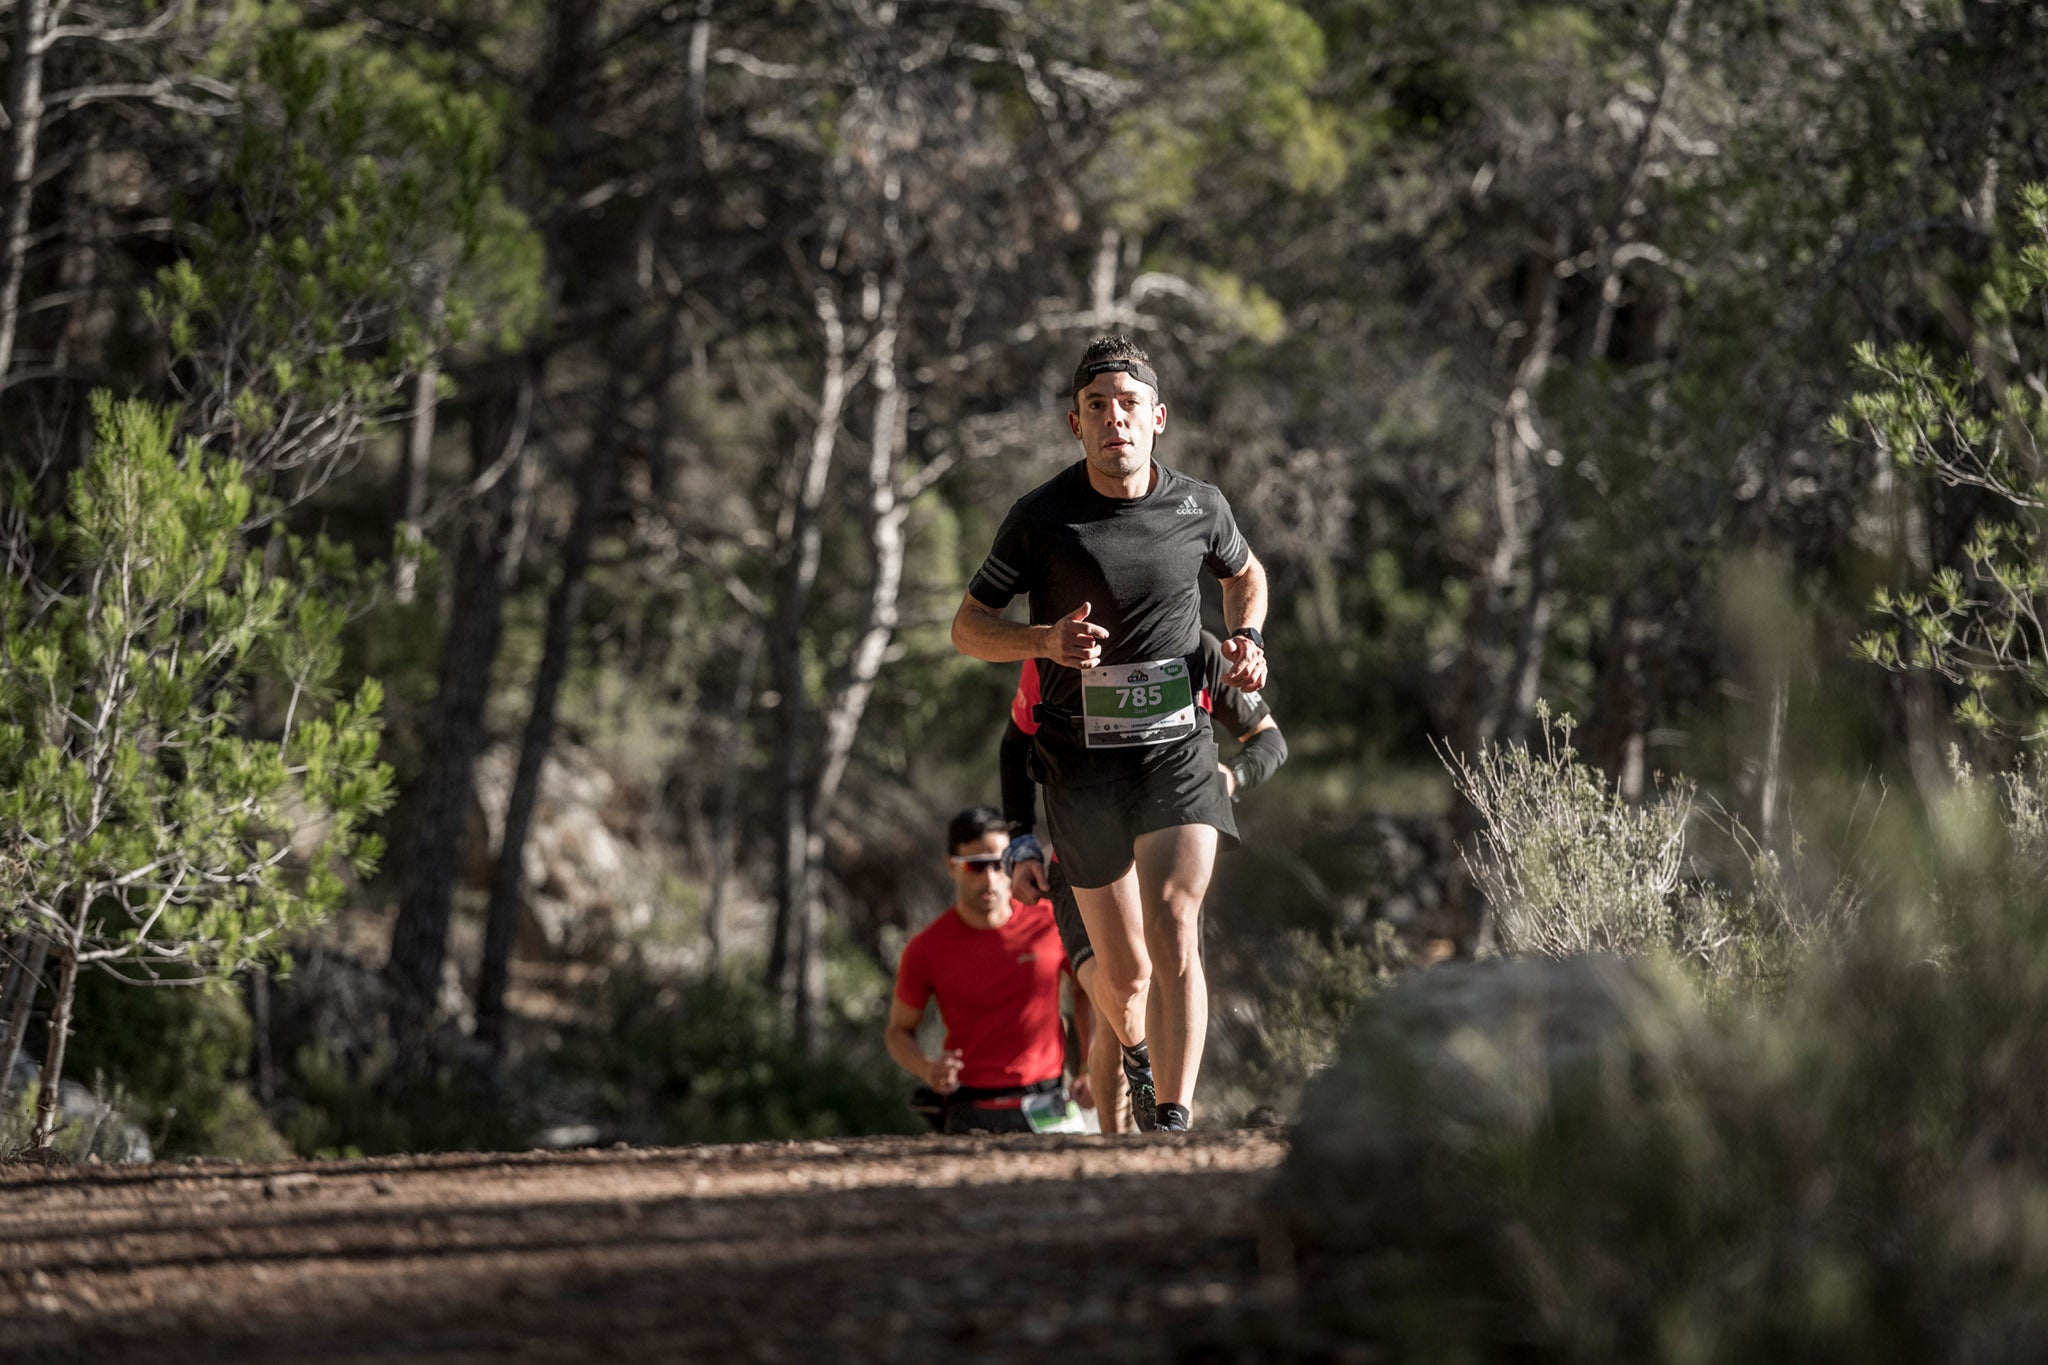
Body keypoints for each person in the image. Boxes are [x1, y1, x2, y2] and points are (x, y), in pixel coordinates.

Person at [951, 335, 1270, 1132]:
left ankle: (1172, 1113)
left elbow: (1245, 574)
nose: (1114, 420)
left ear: (1156, 419)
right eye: (1097, 407)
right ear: (1075, 423)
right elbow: (967, 628)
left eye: (1129, 405)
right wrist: (1043, 642)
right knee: (1124, 979)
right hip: (1082, 769)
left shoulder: (1201, 506)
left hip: (1177, 755)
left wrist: (1249, 638)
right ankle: (1134, 1052)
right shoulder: (1039, 519)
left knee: (1174, 924)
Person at [1000, 630, 1288, 1132]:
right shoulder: (1063, 648)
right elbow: (1016, 743)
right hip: (1080, 861)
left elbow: (1269, 738)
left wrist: (1231, 777)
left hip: (1162, 857)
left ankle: (1161, 1135)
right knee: (1121, 992)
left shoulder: (1196, 647)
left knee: (1162, 977)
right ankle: (1120, 1141)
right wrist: (1020, 840)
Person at [886, 806, 1088, 1135]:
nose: (990, 877)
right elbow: (898, 1031)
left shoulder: (1049, 922)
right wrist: (927, 1069)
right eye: (976, 866)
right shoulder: (925, 948)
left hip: (1049, 1103)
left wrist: (1090, 1065)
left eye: (1000, 864)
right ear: (952, 866)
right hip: (969, 1111)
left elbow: (1087, 993)